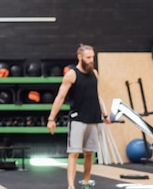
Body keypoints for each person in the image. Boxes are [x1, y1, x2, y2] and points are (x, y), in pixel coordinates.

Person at [47, 44, 111, 189]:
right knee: (74, 153)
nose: (91, 60)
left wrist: (105, 114)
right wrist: (51, 119)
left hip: (94, 118)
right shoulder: (71, 74)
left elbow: (98, 96)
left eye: (92, 57)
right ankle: (71, 186)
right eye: (88, 57)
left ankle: (86, 182)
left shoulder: (95, 73)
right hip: (78, 119)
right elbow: (60, 97)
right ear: (80, 57)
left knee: (89, 153)